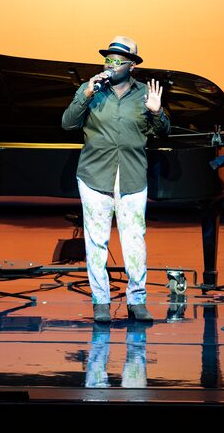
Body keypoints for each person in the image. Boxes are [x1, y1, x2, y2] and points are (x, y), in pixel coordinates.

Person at [61, 36, 170, 323]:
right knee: (96, 242)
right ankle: (101, 302)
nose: (111, 64)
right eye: (108, 59)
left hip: (132, 177)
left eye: (118, 60)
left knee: (134, 241)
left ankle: (137, 300)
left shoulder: (145, 93)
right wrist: (84, 93)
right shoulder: (92, 91)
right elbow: (67, 123)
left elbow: (164, 131)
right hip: (95, 176)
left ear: (131, 65)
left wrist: (157, 112)